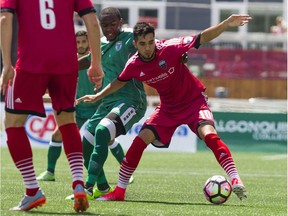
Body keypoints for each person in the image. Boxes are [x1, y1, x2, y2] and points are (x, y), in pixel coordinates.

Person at [77, 14, 252, 202]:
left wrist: (226, 24)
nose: (148, 47)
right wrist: (98, 96)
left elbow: (203, 37)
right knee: (139, 141)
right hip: (168, 108)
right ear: (135, 44)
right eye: (143, 44)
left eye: (151, 42)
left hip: (194, 102)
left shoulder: (171, 47)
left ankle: (235, 178)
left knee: (209, 135)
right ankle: (119, 191)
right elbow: (118, 82)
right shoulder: (134, 64)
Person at [0, 0, 104, 212]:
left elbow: (4, 19)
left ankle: (32, 190)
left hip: (30, 64)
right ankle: (77, 184)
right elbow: (92, 22)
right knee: (67, 121)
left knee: (13, 123)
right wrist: (96, 63)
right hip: (66, 64)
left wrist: (7, 65)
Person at [65, 7, 147, 201]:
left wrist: (177, 57)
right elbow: (89, 61)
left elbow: (153, 47)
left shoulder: (129, 38)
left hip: (131, 101)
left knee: (103, 131)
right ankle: (102, 187)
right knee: (84, 144)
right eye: (105, 25)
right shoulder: (101, 43)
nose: (109, 28)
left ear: (120, 21)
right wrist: (65, 66)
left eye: (113, 24)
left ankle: (87, 187)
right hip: (107, 103)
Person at [36, 30, 125, 183]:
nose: (81, 45)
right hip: (78, 109)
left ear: (89, 43)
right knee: (57, 135)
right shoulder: (69, 62)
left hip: (98, 106)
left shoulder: (95, 60)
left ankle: (126, 173)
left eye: (84, 42)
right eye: (78, 42)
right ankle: (50, 172)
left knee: (108, 139)